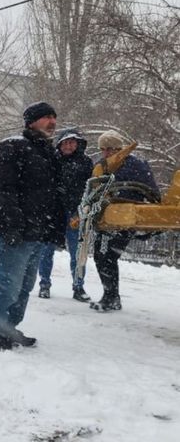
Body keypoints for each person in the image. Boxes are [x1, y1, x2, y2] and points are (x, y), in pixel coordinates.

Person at [0, 102, 65, 350]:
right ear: (31, 121)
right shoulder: (13, 146)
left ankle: (10, 328)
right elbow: (3, 190)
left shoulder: (49, 152)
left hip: (38, 233)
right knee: (8, 283)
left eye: (54, 117)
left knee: (25, 286)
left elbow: (53, 195)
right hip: (16, 231)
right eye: (46, 117)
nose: (52, 122)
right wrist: (12, 225)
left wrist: (54, 229)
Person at [89, 130, 160, 312]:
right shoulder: (103, 165)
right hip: (107, 218)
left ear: (118, 148)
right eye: (103, 149)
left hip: (125, 217)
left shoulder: (135, 164)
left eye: (109, 148)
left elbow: (149, 190)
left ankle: (111, 297)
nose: (106, 152)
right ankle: (111, 296)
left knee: (107, 256)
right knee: (102, 255)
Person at [36, 128, 94, 302]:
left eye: (72, 142)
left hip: (75, 213)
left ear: (78, 144)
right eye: (66, 142)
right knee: (46, 251)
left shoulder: (85, 163)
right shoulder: (51, 160)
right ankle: (44, 284)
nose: (69, 145)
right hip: (53, 213)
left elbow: (90, 187)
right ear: (60, 144)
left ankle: (78, 286)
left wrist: (83, 205)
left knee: (78, 252)